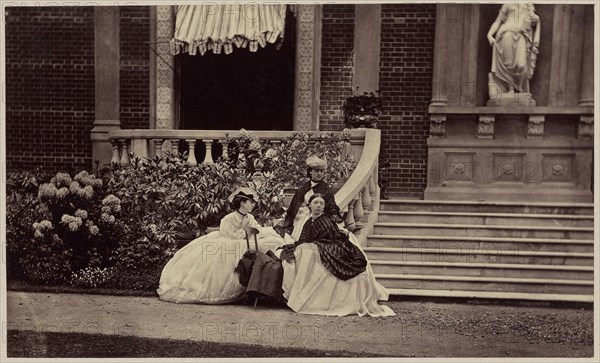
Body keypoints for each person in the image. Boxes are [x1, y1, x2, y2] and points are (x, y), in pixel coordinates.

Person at [157, 187, 284, 304]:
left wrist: (253, 231)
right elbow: (230, 235)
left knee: (268, 242)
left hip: (243, 242)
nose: (253, 205)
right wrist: (246, 232)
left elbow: (257, 229)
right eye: (251, 202)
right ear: (242, 203)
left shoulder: (249, 217)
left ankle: (257, 287)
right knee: (223, 258)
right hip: (226, 242)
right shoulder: (228, 219)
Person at [279, 194, 395, 317]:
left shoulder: (325, 220)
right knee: (299, 252)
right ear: (310, 205)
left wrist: (314, 245)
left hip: (333, 245)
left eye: (321, 204)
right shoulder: (309, 221)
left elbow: (331, 238)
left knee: (312, 253)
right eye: (316, 203)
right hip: (320, 246)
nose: (318, 206)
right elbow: (304, 238)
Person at [274, 155, 344, 241]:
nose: (319, 174)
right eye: (316, 171)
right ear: (310, 172)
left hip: (317, 217)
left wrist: (336, 218)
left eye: (321, 171)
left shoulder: (326, 189)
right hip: (300, 216)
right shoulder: (304, 187)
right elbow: (294, 205)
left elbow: (331, 206)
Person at [487, 3, 540, 96]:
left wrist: (536, 19)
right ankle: (511, 90)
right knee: (508, 63)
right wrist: (489, 35)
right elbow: (498, 21)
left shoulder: (528, 4)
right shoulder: (507, 3)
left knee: (521, 64)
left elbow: (533, 18)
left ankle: (519, 89)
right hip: (506, 33)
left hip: (521, 35)